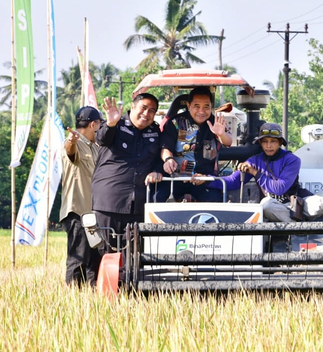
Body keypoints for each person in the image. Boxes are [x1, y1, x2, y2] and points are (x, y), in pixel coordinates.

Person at [209, 122, 323, 225]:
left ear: (280, 143)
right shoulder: (254, 161)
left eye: (273, 141)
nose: (269, 146)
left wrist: (254, 172)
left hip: (300, 205)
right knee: (266, 204)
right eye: (265, 142)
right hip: (276, 209)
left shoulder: (292, 160)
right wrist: (206, 179)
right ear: (260, 143)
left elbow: (279, 189)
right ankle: (299, 230)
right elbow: (232, 182)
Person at [91, 94, 164, 241]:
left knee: (135, 255)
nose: (146, 114)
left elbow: (159, 158)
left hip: (139, 204)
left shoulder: (155, 132)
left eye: (152, 110)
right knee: (108, 252)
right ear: (132, 107)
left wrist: (157, 171)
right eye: (143, 108)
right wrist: (111, 123)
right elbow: (101, 139)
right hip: (110, 201)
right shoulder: (116, 123)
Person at [156, 87, 231, 202]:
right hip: (176, 178)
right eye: (197, 106)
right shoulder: (175, 122)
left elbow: (228, 142)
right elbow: (166, 146)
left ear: (211, 107)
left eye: (206, 107)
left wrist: (221, 134)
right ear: (188, 105)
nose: (201, 111)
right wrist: (168, 159)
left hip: (204, 179)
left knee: (217, 203)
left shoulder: (217, 123)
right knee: (158, 198)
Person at [59, 106, 103, 287]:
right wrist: (72, 140)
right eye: (101, 124)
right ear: (93, 124)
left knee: (95, 260)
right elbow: (70, 150)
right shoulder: (75, 143)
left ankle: (92, 301)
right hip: (78, 212)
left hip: (94, 214)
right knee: (78, 259)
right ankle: (73, 301)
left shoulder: (97, 147)